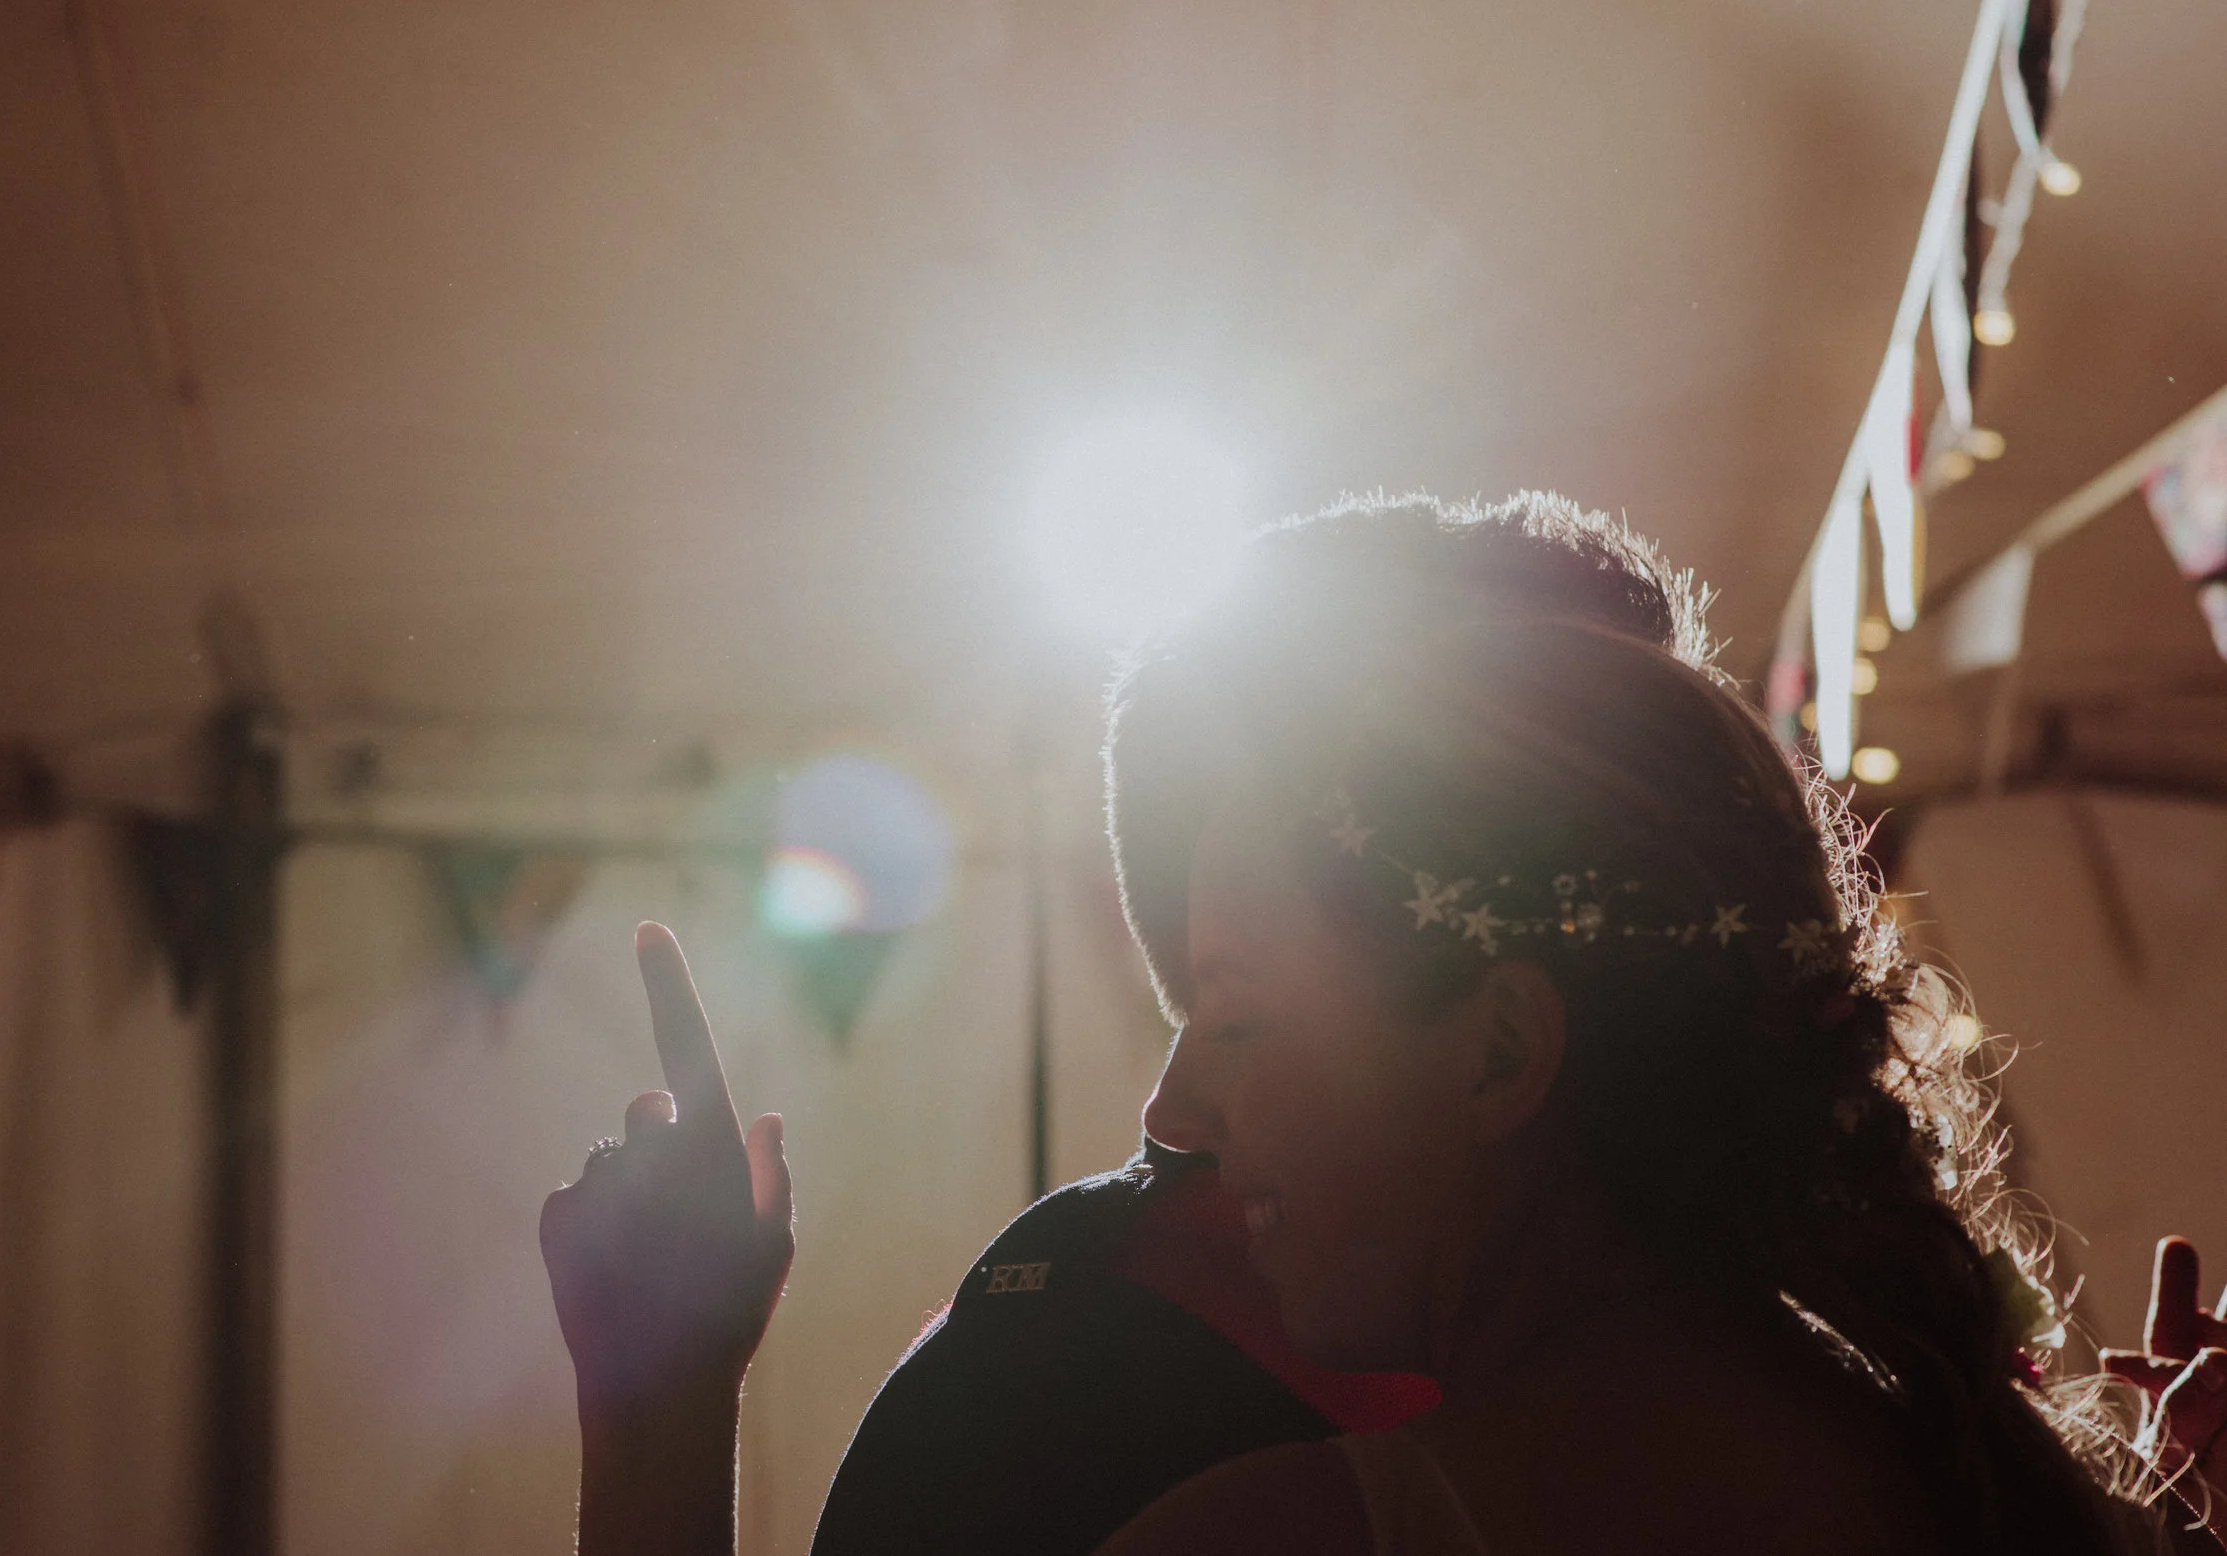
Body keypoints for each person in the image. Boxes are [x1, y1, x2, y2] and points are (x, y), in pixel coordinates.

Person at [540, 499, 2227, 1555]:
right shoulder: (1998, 1483)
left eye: (1250, 1015)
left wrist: (658, 1423)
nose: (1186, 1096)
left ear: (1503, 1044)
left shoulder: (1268, 1524)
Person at [811, 494, 1694, 1556]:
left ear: (1508, 1043)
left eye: (1240, 1022)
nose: (1171, 1114)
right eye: (1206, 1010)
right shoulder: (1051, 1351)